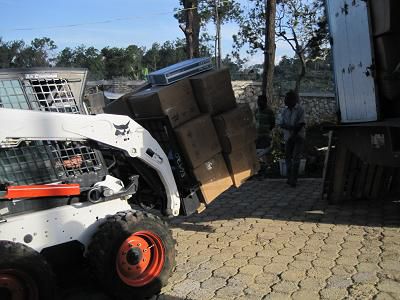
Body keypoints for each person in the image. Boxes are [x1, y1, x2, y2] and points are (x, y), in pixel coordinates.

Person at [279, 90, 305, 187]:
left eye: (287, 98)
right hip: (288, 137)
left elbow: (301, 124)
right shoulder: (284, 110)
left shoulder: (300, 110)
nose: (285, 100)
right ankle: (289, 177)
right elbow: (281, 124)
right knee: (288, 157)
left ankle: (294, 179)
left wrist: (293, 131)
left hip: (298, 137)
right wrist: (291, 129)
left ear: (293, 99)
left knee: (296, 158)